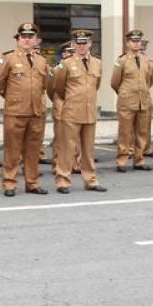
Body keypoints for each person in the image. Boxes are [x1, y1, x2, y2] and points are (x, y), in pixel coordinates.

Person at [0, 22, 50, 196]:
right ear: (18, 39)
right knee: (12, 149)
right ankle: (9, 183)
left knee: (33, 150)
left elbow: (45, 85)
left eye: (30, 37)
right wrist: (12, 98)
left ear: (36, 40)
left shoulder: (41, 60)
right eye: (23, 36)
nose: (27, 40)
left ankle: (32, 182)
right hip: (16, 112)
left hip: (36, 112)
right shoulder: (9, 59)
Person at [52, 29, 107, 192]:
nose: (82, 46)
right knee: (67, 148)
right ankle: (63, 180)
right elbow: (59, 87)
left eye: (85, 43)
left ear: (90, 44)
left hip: (89, 111)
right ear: (74, 44)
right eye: (79, 43)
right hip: (72, 111)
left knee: (88, 149)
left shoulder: (97, 63)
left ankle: (90, 180)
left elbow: (96, 86)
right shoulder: (66, 64)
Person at [111, 29, 153, 172]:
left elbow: (150, 80)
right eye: (133, 41)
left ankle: (139, 160)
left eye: (138, 41)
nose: (136, 44)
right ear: (128, 43)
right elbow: (115, 82)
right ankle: (122, 160)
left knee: (142, 132)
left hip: (143, 101)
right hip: (127, 101)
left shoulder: (147, 60)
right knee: (125, 132)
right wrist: (125, 93)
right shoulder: (122, 60)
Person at [49, 41, 75, 175]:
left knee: (74, 138)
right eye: (65, 52)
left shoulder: (79, 66)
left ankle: (74, 164)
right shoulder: (56, 69)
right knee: (59, 138)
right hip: (60, 106)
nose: (67, 54)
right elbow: (50, 88)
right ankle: (57, 164)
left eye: (70, 52)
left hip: (75, 107)